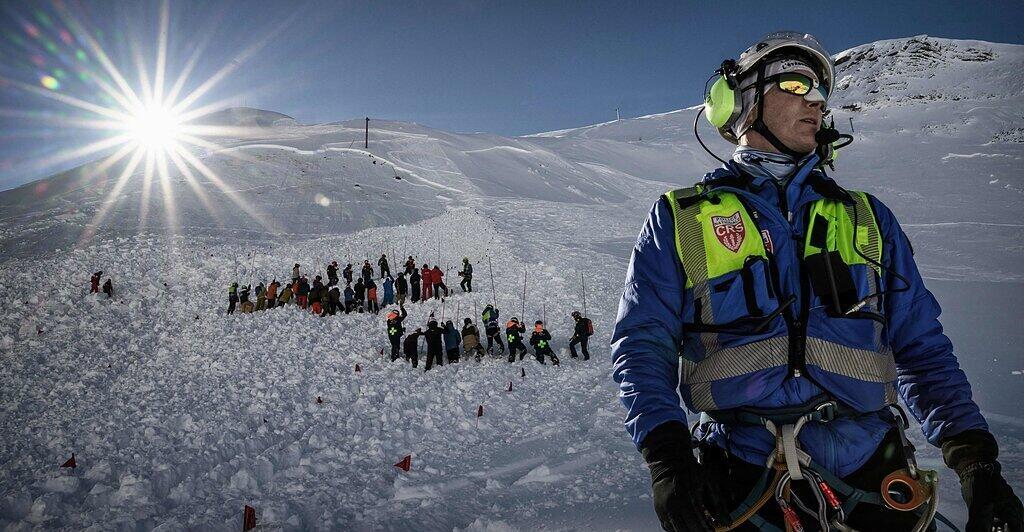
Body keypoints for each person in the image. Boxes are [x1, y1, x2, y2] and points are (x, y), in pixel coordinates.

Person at [610, 31, 1023, 532]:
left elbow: (921, 348)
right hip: (742, 481)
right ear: (741, 105)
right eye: (794, 83)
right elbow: (643, 345)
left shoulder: (867, 217)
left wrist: (975, 459)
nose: (816, 101)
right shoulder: (682, 218)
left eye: (821, 93)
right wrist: (667, 459)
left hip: (874, 477)